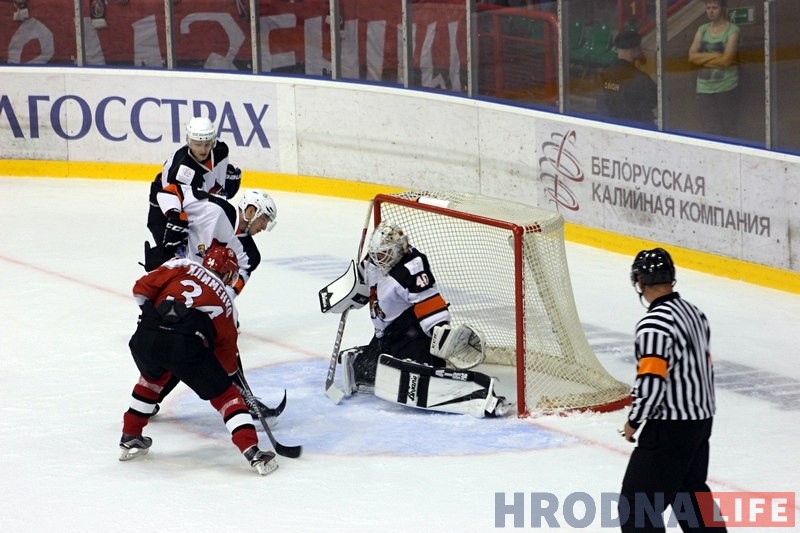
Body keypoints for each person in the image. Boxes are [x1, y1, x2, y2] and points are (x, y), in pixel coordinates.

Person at [119, 244, 278, 475]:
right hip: (185, 345)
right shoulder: (227, 303)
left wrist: (157, 320)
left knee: (151, 380)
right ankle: (253, 451)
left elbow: (140, 289)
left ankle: (130, 436)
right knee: (227, 396)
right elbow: (227, 360)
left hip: (145, 335)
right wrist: (218, 377)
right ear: (229, 274)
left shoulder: (183, 265)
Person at [335, 223, 511, 418]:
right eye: (376, 253)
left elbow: (428, 302)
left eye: (384, 253)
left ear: (398, 249)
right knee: (365, 371)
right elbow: (360, 281)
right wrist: (347, 293)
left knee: (413, 373)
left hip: (412, 331)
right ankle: (384, 352)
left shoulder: (412, 267)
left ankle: (467, 387)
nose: (379, 258)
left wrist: (440, 332)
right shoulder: (373, 261)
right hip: (387, 332)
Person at [619, 248, 726, 531]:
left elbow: (652, 383)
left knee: (637, 507)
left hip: (670, 428)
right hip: (701, 421)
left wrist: (633, 421)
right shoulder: (695, 313)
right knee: (690, 495)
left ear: (640, 281)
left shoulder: (653, 324)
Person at [146, 116, 242, 258]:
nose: (203, 150)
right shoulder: (182, 171)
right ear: (189, 142)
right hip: (165, 208)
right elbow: (173, 200)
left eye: (207, 144)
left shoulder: (220, 151)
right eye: (198, 144)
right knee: (173, 256)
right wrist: (177, 222)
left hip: (198, 202)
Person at [688, 0, 740, 138]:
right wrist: (716, 56)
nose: (710, 11)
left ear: (723, 8)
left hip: (726, 86)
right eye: (708, 8)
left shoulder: (732, 30)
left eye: (714, 8)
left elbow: (726, 60)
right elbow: (692, 57)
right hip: (704, 88)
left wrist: (703, 59)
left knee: (728, 128)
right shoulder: (702, 29)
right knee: (710, 129)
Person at [598, 30, 657, 127]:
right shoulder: (640, 79)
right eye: (639, 48)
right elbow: (655, 101)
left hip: (611, 126)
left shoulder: (606, 74)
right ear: (633, 51)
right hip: (636, 128)